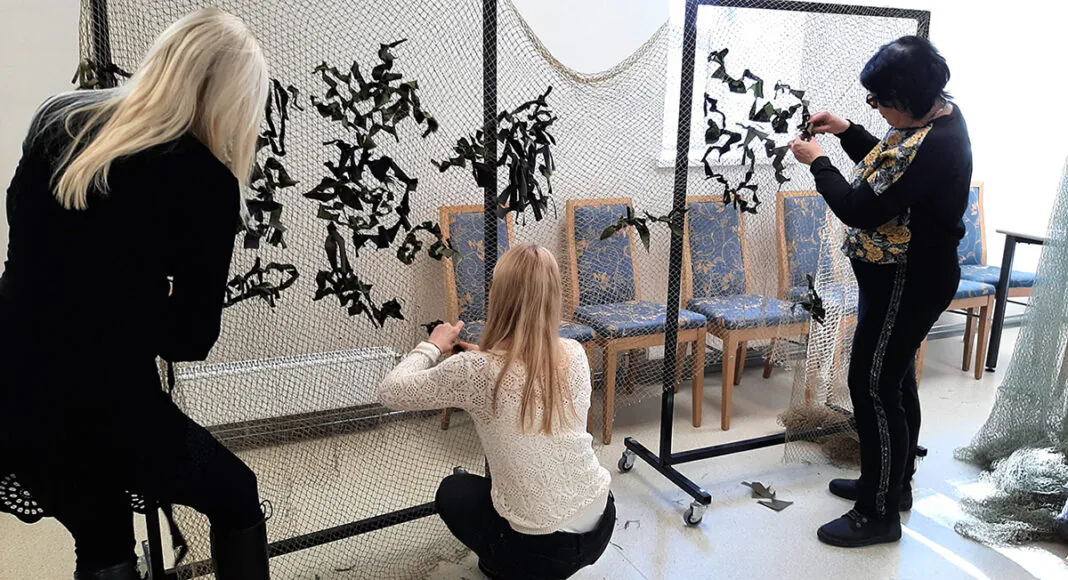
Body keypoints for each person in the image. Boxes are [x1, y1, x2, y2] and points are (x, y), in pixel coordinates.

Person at [0, 9, 271, 579]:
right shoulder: (206, 181)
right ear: (232, 100)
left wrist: (114, 288)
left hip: (12, 379)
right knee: (236, 493)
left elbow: (28, 256)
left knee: (103, 536)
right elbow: (189, 339)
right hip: (106, 399)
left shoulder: (61, 117)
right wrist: (145, 296)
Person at [788, 35, 971, 547]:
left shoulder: (935, 143)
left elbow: (862, 207)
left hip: (908, 280)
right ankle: (890, 483)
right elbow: (890, 172)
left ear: (909, 98)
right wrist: (848, 131)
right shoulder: (930, 120)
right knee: (892, 381)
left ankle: (878, 513)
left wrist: (818, 162)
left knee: (872, 385)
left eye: (880, 100)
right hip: (895, 276)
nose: (875, 108)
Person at [378, 244, 615, 580]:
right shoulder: (574, 352)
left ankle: (508, 566)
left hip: (542, 553)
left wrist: (433, 345)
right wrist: (485, 356)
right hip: (602, 521)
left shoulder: (475, 370)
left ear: (499, 296)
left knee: (453, 492)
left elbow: (390, 391)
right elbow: (522, 368)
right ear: (553, 296)